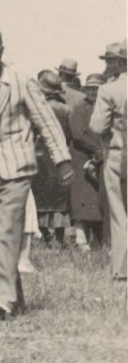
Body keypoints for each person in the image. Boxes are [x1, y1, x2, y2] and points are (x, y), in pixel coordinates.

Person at [0, 27, 72, 319]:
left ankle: (1, 300)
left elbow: (45, 121)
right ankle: (14, 298)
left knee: (8, 232)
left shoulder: (20, 82)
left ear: (3, 50)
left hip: (16, 169)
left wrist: (63, 160)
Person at [90, 40, 127, 280]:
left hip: (117, 154)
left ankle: (122, 269)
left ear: (122, 62)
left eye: (110, 60)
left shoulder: (108, 90)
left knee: (119, 213)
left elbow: (96, 125)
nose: (107, 65)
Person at [31, 70, 72, 245]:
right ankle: (60, 237)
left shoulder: (39, 108)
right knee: (59, 199)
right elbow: (69, 134)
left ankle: (44, 235)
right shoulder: (65, 108)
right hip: (60, 158)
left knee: (40, 197)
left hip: (39, 155)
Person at [68, 74, 106, 250]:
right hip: (82, 155)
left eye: (96, 89)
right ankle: (81, 238)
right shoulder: (80, 107)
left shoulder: (104, 106)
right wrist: (97, 150)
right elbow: (79, 134)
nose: (93, 92)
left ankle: (99, 238)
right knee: (82, 197)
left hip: (100, 155)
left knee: (98, 197)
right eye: (90, 88)